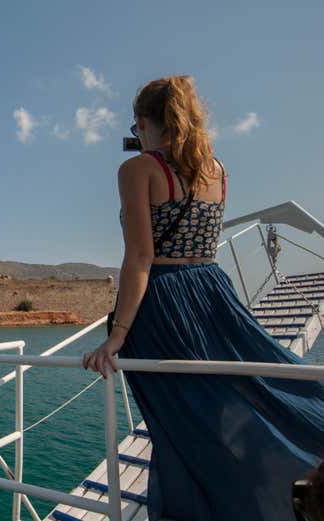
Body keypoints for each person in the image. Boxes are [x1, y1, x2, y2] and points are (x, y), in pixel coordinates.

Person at [82, 75, 324, 521]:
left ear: (141, 121)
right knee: (253, 387)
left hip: (164, 302)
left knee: (180, 422)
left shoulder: (136, 170)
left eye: (137, 130)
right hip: (214, 293)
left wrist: (116, 337)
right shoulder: (217, 170)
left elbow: (140, 257)